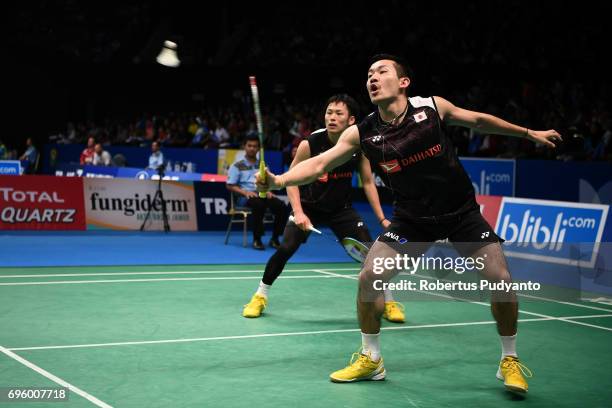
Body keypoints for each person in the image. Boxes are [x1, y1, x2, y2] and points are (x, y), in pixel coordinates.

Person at [257, 54, 562, 394]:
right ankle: (371, 359)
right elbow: (319, 164)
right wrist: (278, 180)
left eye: (382, 72)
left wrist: (528, 133)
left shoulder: (431, 107)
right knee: (370, 276)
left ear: (403, 82)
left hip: (460, 213)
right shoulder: (362, 133)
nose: (372, 78)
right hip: (412, 221)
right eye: (369, 74)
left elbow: (476, 120)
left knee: (500, 279)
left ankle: (510, 359)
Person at [242, 94, 405, 324]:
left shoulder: (359, 145)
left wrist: (380, 218)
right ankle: (260, 296)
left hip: (341, 209)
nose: (332, 117)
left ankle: (388, 301)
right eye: (329, 112)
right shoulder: (311, 143)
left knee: (371, 254)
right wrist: (298, 212)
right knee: (286, 247)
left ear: (351, 120)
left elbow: (368, 182)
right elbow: (291, 179)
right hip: (309, 207)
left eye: (339, 113)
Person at [226, 134, 288, 250]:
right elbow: (230, 185)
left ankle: (275, 239)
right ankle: (257, 239)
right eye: (249, 145)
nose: (252, 148)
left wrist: (268, 190)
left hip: (262, 194)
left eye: (255, 146)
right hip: (245, 198)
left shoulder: (262, 165)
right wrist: (245, 192)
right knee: (259, 205)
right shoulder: (237, 165)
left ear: (258, 149)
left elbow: (268, 182)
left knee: (281, 206)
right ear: (244, 147)